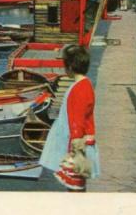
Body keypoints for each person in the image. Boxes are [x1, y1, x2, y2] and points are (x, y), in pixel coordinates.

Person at [39, 44, 100, 191]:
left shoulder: (78, 89)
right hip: (79, 140)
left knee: (75, 184)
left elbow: (76, 120)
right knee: (76, 183)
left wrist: (74, 148)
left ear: (70, 67)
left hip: (76, 143)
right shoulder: (85, 84)